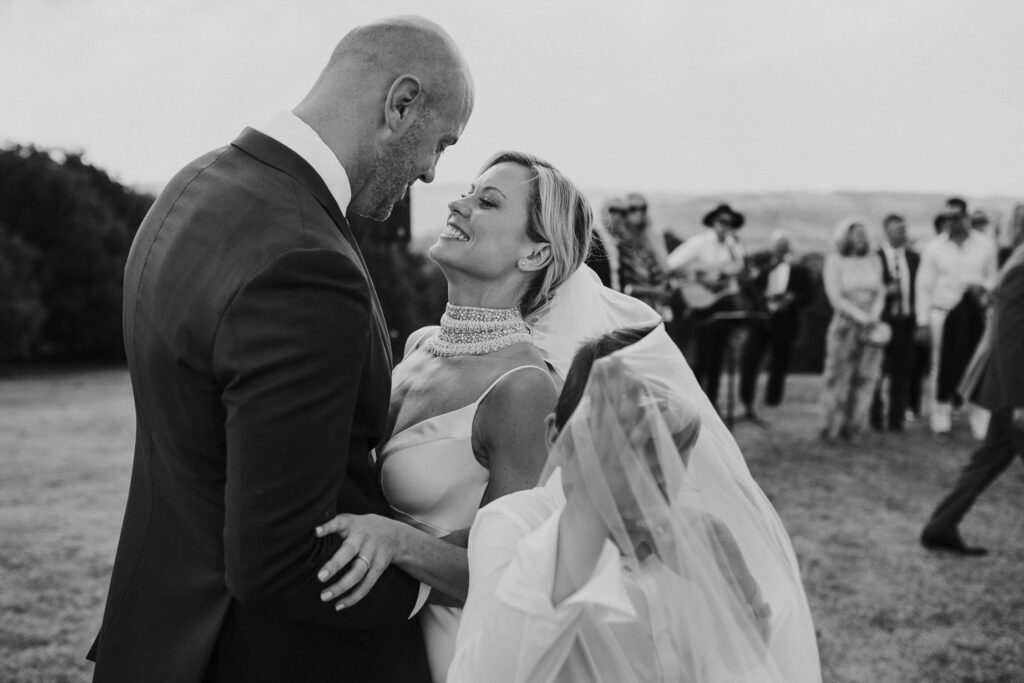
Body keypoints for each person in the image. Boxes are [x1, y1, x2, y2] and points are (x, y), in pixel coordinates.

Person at [87, 17, 473, 683]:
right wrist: (434, 588)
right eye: (439, 143)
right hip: (264, 655)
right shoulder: (307, 263)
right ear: (400, 102)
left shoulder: (194, 184)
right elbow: (280, 560)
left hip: (158, 632)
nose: (434, 170)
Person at [310, 152, 662, 682]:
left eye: (487, 201)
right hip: (374, 634)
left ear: (534, 253)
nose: (458, 203)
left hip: (453, 649)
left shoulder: (522, 390)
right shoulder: (420, 344)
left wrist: (396, 539)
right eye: (468, 191)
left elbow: (519, 571)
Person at [448, 324, 822, 682]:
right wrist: (590, 522)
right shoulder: (515, 524)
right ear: (555, 437)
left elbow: (745, 663)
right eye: (620, 445)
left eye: (670, 447)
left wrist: (735, 595)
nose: (646, 473)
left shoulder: (699, 536)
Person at [921, 239, 1024, 555]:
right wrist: (1018, 400)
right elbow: (1009, 340)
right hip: (1016, 394)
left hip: (1012, 394)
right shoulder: (1021, 270)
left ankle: (940, 527)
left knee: (986, 462)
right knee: (986, 461)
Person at [915, 209, 998, 437]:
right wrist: (922, 321)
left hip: (975, 315)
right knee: (939, 365)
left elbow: (993, 277)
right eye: (948, 218)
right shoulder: (933, 248)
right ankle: (940, 413)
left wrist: (982, 287)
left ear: (966, 218)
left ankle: (979, 416)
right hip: (943, 312)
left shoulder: (986, 246)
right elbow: (923, 286)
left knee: (978, 365)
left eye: (957, 217)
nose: (952, 222)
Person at [667, 203, 748, 410]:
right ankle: (695, 401)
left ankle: (712, 403)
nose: (725, 226)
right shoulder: (699, 243)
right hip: (701, 305)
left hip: (722, 304)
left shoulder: (734, 247)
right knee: (702, 355)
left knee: (718, 355)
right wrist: (699, 276)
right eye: (722, 222)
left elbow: (735, 274)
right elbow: (671, 264)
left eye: (729, 223)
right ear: (713, 222)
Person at [819, 217, 887, 442]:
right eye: (856, 234)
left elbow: (881, 291)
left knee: (866, 377)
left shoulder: (874, 260)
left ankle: (855, 427)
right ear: (846, 237)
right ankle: (832, 428)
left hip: (871, 325)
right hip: (845, 325)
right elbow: (835, 297)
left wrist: (873, 316)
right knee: (838, 376)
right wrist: (860, 317)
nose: (861, 238)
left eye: (864, 234)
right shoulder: (835, 260)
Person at [739, 229, 812, 418]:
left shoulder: (799, 269)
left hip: (785, 321)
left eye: (784, 246)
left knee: (779, 361)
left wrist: (792, 298)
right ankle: (746, 399)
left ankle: (772, 401)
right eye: (777, 245)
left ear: (789, 248)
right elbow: (748, 288)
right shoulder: (763, 267)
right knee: (750, 358)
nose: (780, 249)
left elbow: (809, 294)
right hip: (761, 320)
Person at [869, 214, 920, 432]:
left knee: (901, 373)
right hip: (881, 322)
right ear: (887, 231)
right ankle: (875, 419)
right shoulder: (874, 258)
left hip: (905, 321)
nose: (903, 232)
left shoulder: (914, 258)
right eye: (898, 229)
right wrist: (884, 291)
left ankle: (896, 420)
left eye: (904, 228)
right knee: (877, 373)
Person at [610, 192, 672, 312]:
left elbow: (666, 269)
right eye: (633, 209)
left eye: (643, 208)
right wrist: (655, 291)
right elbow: (624, 286)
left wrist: (651, 235)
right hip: (636, 309)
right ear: (624, 213)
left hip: (658, 307)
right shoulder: (620, 246)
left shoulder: (649, 240)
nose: (639, 213)